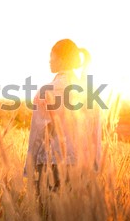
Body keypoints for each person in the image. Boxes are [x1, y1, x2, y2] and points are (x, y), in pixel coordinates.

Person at [24, 39, 102, 195]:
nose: (49, 61)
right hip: (81, 168)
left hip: (51, 166)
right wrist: (95, 167)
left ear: (61, 59)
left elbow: (37, 133)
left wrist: (29, 168)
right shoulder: (90, 93)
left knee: (46, 217)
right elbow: (96, 135)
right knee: (72, 219)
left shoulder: (46, 91)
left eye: (51, 56)